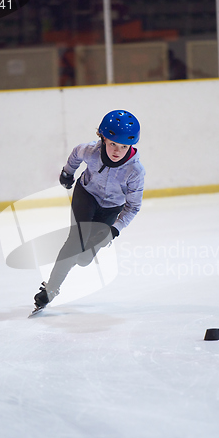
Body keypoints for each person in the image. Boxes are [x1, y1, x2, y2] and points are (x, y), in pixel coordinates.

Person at [31, 109, 145, 312]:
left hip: (111, 207)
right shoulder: (91, 151)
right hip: (87, 195)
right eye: (112, 144)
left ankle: (83, 253)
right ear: (102, 138)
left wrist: (115, 229)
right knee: (74, 241)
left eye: (124, 146)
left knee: (83, 259)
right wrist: (67, 173)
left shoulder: (135, 171)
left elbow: (133, 206)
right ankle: (50, 289)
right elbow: (76, 154)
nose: (117, 151)